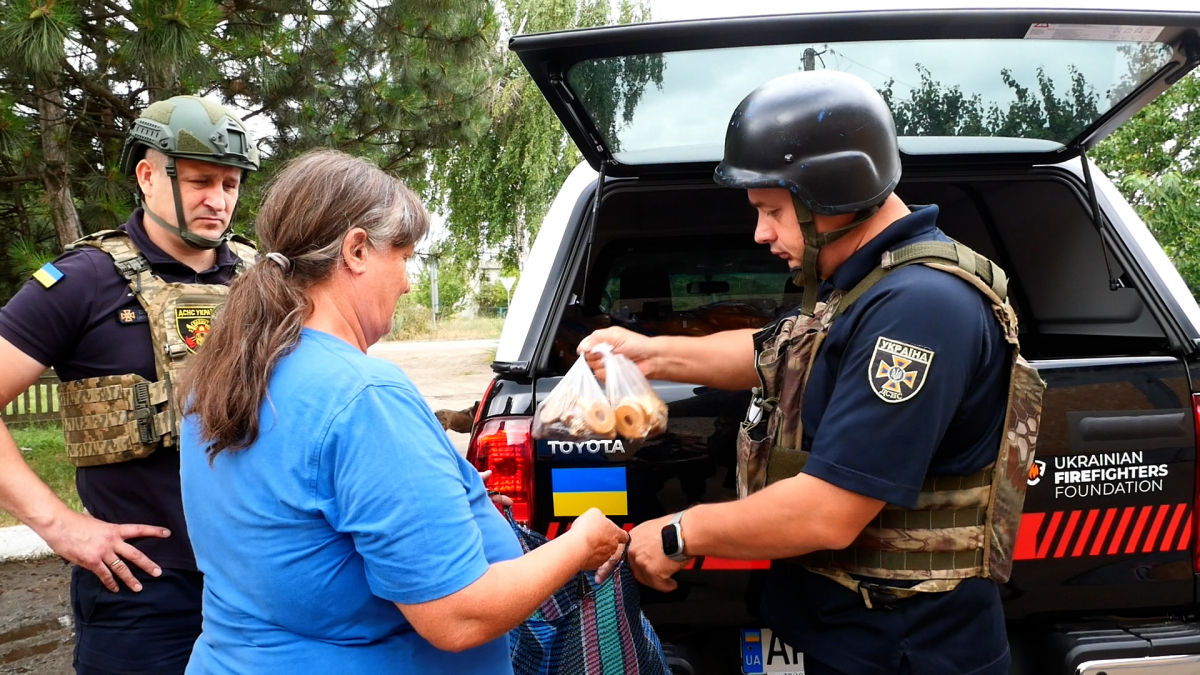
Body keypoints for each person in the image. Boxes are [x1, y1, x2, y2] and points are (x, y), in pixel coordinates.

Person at [580, 71, 1043, 675]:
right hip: (856, 635)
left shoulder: (920, 307)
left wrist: (676, 533)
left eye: (772, 210)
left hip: (905, 648)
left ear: (833, 194)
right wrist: (647, 353)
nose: (760, 233)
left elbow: (828, 511)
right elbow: (772, 353)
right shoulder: (863, 286)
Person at [176, 149, 628, 674]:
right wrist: (581, 543)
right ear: (358, 251)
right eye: (405, 256)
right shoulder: (362, 393)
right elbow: (458, 617)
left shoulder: (224, 373)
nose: (409, 280)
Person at [0, 95, 262, 674]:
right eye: (199, 181)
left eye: (230, 183)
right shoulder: (81, 281)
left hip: (256, 580)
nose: (218, 201)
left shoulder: (261, 280)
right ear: (148, 175)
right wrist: (59, 526)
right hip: (142, 589)